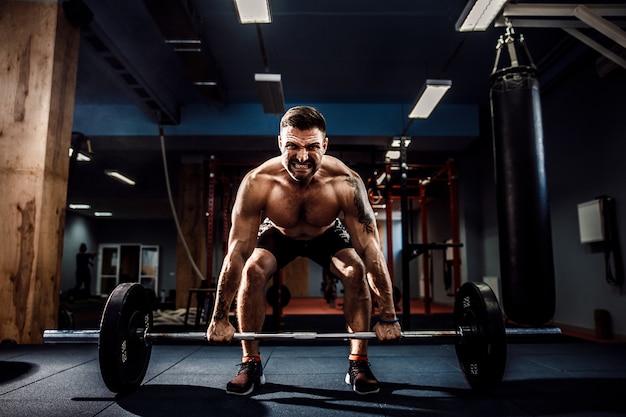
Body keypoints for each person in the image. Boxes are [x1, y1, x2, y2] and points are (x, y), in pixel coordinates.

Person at [207, 106, 401, 396]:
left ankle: (358, 362)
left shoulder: (346, 182)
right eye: (292, 145)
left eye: (312, 146)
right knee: (252, 269)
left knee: (356, 269)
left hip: (327, 234)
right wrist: (219, 317)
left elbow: (371, 249)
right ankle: (250, 362)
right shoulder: (258, 182)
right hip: (278, 233)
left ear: (325, 144)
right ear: (279, 143)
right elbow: (236, 252)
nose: (301, 156)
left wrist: (388, 314)